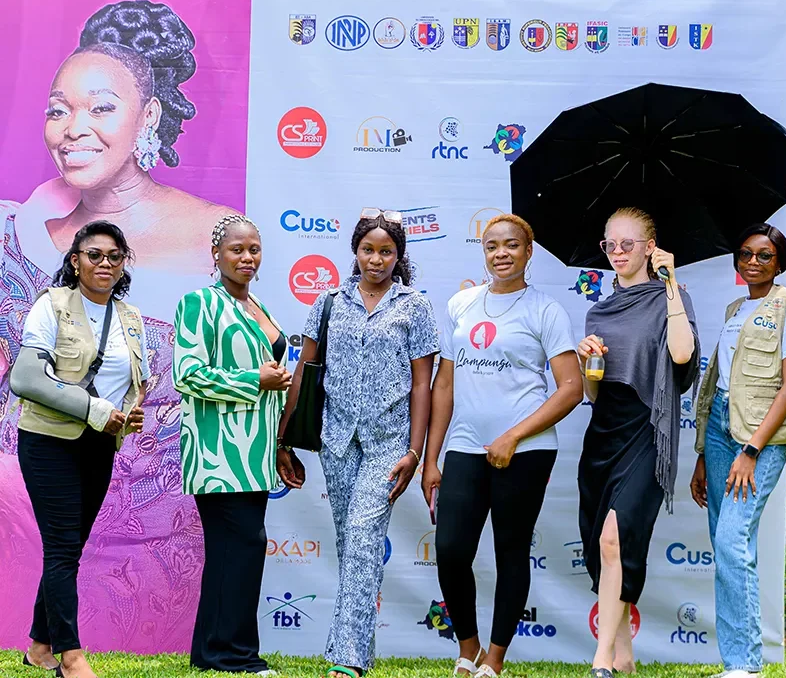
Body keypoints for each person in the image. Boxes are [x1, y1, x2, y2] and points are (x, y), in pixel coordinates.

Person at [0, 0, 238, 650]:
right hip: (19, 547)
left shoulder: (216, 241)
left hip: (152, 565)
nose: (72, 128)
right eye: (58, 109)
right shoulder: (13, 235)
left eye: (101, 107)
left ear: (149, 116)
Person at [422, 213, 583, 678]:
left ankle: (495, 658)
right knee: (451, 549)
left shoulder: (545, 310)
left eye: (512, 245)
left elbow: (570, 388)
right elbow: (445, 385)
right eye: (492, 246)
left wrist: (514, 435)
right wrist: (432, 457)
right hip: (466, 447)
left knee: (511, 550)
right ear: (483, 252)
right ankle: (467, 650)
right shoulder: (462, 304)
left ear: (528, 252)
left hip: (526, 451)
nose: (501, 253)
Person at [280, 209, 439, 678]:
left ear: (399, 256)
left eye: (386, 251)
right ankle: (359, 652)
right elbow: (305, 370)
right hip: (336, 438)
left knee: (366, 537)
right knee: (354, 544)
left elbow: (421, 385)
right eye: (368, 250)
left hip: (389, 442)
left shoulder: (415, 306)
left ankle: (345, 660)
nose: (376, 259)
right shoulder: (329, 301)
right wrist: (284, 440)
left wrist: (415, 451)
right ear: (355, 252)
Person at [12, 221, 147, 678]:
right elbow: (26, 380)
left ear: (124, 262)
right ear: (75, 260)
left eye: (114, 255)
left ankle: (38, 646)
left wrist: (130, 413)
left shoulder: (130, 317)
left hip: (99, 445)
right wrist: (94, 409)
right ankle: (71, 658)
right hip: (48, 440)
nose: (104, 263)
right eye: (94, 254)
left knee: (69, 547)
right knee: (63, 546)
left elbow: (133, 385)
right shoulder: (51, 305)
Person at [576, 207, 699, 678]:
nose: (618, 253)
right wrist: (590, 360)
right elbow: (592, 392)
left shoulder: (673, 296)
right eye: (610, 245)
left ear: (651, 247)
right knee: (603, 548)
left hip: (650, 431)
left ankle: (602, 659)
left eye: (628, 244)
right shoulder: (598, 309)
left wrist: (669, 283)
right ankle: (624, 653)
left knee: (615, 537)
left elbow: (684, 356)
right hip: (603, 434)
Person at [172, 214, 291, 675]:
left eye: (254, 249)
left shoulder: (258, 305)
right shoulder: (199, 303)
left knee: (234, 549)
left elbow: (275, 379)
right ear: (216, 255)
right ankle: (234, 655)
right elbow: (188, 374)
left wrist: (281, 444)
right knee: (240, 546)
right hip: (218, 452)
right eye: (237, 249)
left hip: (256, 452)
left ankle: (212, 652)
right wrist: (253, 379)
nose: (247, 257)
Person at [690, 223, 786, 678]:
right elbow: (718, 384)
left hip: (759, 439)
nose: (752, 261)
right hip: (718, 432)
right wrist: (702, 454)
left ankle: (745, 664)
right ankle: (735, 661)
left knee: (733, 542)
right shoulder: (736, 307)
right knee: (726, 541)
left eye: (764, 255)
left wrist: (751, 450)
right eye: (745, 254)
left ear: (780, 262)